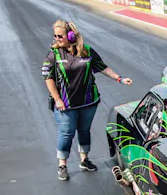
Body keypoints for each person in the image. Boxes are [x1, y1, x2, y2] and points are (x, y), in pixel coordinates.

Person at [43, 20, 132, 181]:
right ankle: (62, 165)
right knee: (66, 133)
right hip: (66, 104)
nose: (57, 39)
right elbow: (48, 78)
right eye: (55, 36)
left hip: (88, 102)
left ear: (71, 35)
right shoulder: (54, 54)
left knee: (84, 130)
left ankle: (84, 160)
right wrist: (57, 99)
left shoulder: (87, 51)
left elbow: (102, 67)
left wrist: (119, 78)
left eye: (60, 36)